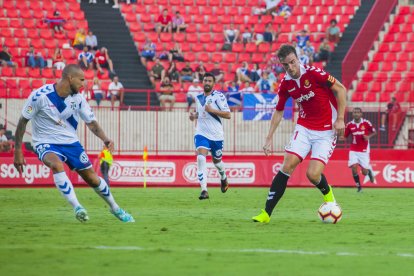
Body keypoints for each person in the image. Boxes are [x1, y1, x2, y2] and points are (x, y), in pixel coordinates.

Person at [13, 64, 134, 223]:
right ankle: (78, 207)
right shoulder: (40, 96)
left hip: (71, 143)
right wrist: (17, 151)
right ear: (70, 78)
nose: (83, 84)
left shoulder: (78, 99)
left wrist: (106, 139)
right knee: (56, 165)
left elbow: (91, 123)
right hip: (45, 142)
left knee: (92, 179)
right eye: (81, 80)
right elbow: (23, 121)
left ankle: (115, 208)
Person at [252, 44, 347, 223]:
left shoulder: (314, 73)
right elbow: (279, 110)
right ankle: (266, 214)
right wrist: (268, 138)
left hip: (326, 131)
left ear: (298, 59)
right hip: (304, 128)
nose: (290, 67)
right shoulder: (286, 84)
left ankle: (329, 198)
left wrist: (340, 118)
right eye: (285, 65)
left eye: (292, 62)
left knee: (312, 175)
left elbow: (340, 89)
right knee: (287, 166)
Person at [189, 72, 231, 200]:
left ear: (213, 83)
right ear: (202, 82)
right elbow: (200, 114)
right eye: (205, 80)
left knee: (217, 162)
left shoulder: (219, 97)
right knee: (201, 158)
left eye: (209, 81)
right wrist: (193, 116)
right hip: (201, 133)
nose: (207, 83)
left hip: (216, 136)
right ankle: (204, 190)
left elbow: (228, 115)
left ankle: (223, 177)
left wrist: (212, 110)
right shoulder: (198, 98)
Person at [342, 108, 376, 192]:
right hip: (353, 149)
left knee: (364, 172)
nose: (356, 114)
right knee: (354, 167)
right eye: (354, 112)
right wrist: (338, 135)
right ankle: (359, 187)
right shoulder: (349, 125)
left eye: (358, 112)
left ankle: (369, 173)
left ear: (361, 114)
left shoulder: (366, 123)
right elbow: (345, 136)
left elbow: (374, 132)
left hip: (364, 150)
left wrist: (368, 136)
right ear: (352, 114)